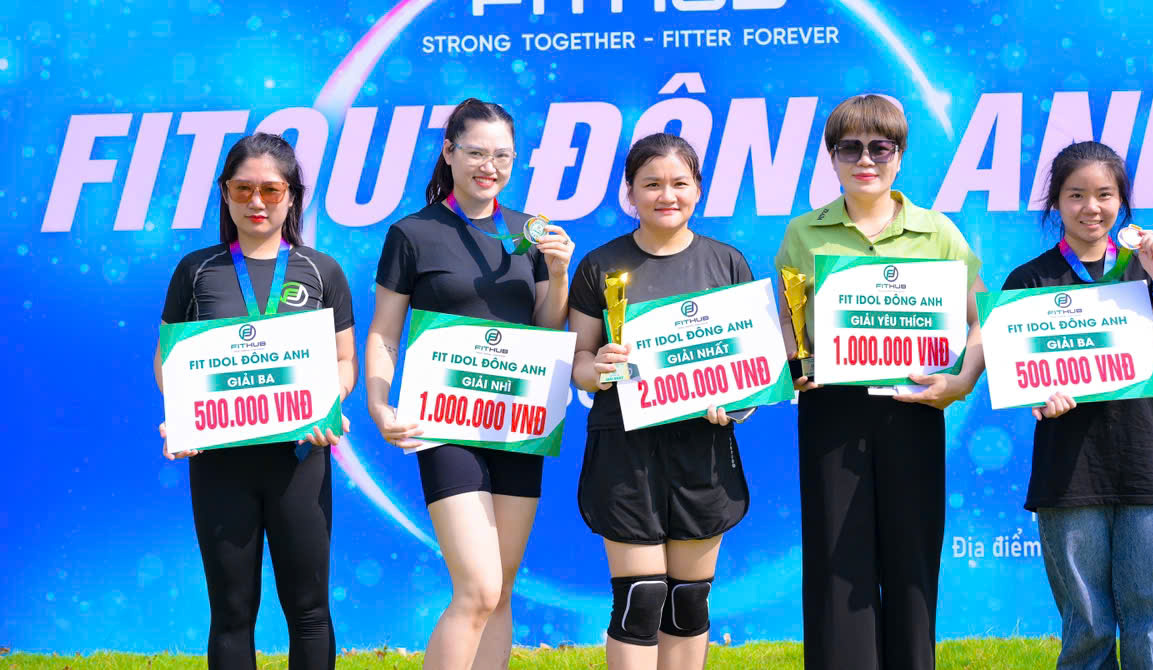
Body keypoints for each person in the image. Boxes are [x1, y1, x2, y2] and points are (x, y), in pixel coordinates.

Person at [773, 93, 986, 670]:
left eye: (880, 147)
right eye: (850, 148)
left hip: (913, 408)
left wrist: (961, 382)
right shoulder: (804, 233)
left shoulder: (937, 232)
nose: (865, 160)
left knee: (912, 559)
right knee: (835, 562)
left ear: (900, 155)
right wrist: (795, 364)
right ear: (831, 156)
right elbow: (790, 324)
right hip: (831, 411)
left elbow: (982, 320)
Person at [365, 98, 574, 670]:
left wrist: (558, 273)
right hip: (444, 423)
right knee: (478, 589)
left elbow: (548, 330)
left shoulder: (529, 232)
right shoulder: (413, 233)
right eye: (477, 153)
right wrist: (380, 403)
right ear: (449, 152)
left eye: (502, 156)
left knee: (501, 591)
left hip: (519, 424)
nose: (490, 166)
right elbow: (384, 332)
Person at [155, 132, 357, 670]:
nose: (257, 202)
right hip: (221, 462)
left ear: (292, 196)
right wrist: (181, 413)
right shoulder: (196, 270)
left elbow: (345, 361)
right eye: (243, 189)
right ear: (225, 193)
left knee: (309, 611)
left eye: (271, 189)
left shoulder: (322, 271)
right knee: (231, 612)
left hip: (300, 458)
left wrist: (329, 402)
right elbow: (167, 359)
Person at [1001, 141, 1153, 670]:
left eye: (1105, 194)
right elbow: (1021, 378)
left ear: (1122, 200)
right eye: (1076, 195)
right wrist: (1040, 399)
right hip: (1070, 473)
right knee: (1087, 628)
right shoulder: (1028, 280)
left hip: (1146, 464)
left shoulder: (1146, 269)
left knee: (1152, 625)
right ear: (1056, 202)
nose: (1091, 207)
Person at [568, 132, 752, 670]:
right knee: (640, 598)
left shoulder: (727, 263)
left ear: (698, 190)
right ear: (629, 192)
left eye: (679, 183)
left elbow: (751, 368)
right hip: (625, 450)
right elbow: (577, 363)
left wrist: (736, 403)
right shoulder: (600, 265)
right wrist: (598, 368)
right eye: (651, 184)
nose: (666, 195)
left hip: (703, 448)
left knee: (689, 601)